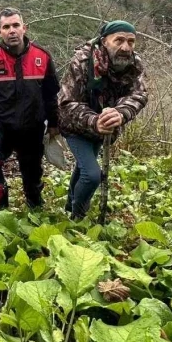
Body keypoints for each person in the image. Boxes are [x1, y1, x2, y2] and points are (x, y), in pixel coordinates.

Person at [0, 8, 60, 208]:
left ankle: (34, 203)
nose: (12, 30)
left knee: (33, 171)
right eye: (6, 27)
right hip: (0, 129)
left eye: (16, 25)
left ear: (24, 28)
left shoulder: (42, 57)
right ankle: (0, 205)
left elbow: (51, 94)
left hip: (32, 128)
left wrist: (54, 124)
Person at [58, 20, 148, 220]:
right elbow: (66, 102)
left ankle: (69, 205)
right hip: (76, 125)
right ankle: (77, 217)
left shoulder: (134, 64)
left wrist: (121, 112)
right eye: (119, 40)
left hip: (106, 128)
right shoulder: (82, 61)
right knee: (92, 175)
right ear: (105, 41)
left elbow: (139, 94)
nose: (126, 47)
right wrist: (94, 121)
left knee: (83, 167)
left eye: (131, 42)